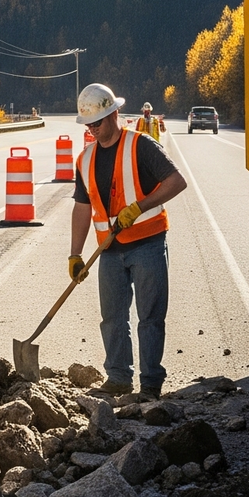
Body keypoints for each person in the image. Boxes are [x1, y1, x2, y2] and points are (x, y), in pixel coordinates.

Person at [70, 83, 186, 398]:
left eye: (98, 122)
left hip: (147, 243)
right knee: (112, 319)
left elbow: (177, 182)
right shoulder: (85, 159)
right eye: (89, 124)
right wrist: (74, 255)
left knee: (150, 318)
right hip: (109, 250)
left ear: (114, 113)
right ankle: (118, 379)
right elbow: (82, 207)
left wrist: (139, 207)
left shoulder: (141, 146)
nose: (93, 129)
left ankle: (150, 385)